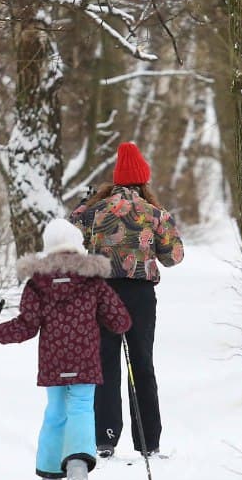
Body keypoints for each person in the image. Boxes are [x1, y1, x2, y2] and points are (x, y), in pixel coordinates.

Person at [0, 218, 132, 480]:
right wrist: (121, 321)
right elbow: (119, 320)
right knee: (81, 409)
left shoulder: (37, 284)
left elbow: (26, 326)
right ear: (77, 246)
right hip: (85, 358)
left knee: (55, 412)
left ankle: (50, 477)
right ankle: (77, 467)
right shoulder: (93, 281)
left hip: (54, 360)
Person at [69, 142, 184, 458]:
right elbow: (174, 256)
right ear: (143, 181)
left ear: (116, 179)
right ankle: (149, 442)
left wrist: (83, 206)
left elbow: (65, 237)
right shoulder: (154, 214)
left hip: (101, 293)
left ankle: (105, 438)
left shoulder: (93, 212)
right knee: (142, 364)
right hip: (140, 297)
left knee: (105, 363)